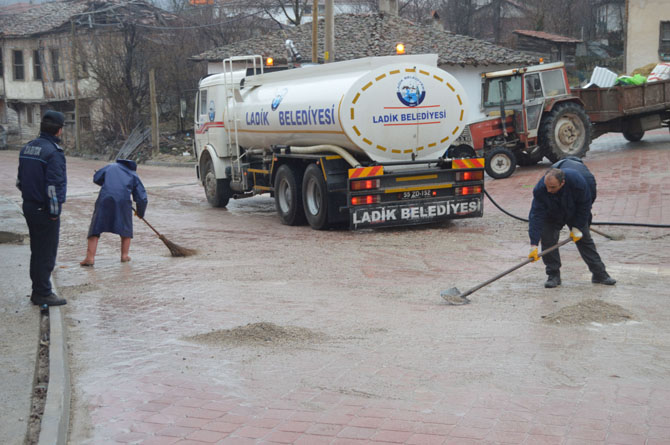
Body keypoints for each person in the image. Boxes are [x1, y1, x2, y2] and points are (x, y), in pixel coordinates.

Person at [528, 167, 616, 288]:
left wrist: (578, 227)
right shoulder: (540, 190)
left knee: (584, 239)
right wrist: (533, 244)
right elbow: (536, 216)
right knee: (548, 240)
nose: (548, 190)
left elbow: (585, 205)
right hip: (551, 214)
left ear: (562, 183)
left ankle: (600, 274)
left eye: (553, 187)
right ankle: (553, 275)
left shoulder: (577, 183)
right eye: (547, 186)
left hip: (575, 212)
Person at [16, 110, 68, 306]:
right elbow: (54, 187)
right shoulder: (53, 153)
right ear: (59, 130)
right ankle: (43, 292)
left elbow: (20, 181)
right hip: (44, 210)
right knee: (46, 252)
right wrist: (54, 213)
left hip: (29, 206)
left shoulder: (27, 148)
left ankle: (37, 289)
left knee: (36, 250)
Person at [80, 159, 148, 266]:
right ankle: (124, 256)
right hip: (123, 202)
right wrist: (140, 212)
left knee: (95, 227)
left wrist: (106, 183)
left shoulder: (111, 167)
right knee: (126, 227)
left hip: (105, 198)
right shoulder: (133, 175)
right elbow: (142, 198)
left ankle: (90, 258)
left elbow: (96, 178)